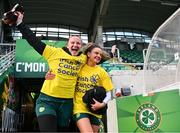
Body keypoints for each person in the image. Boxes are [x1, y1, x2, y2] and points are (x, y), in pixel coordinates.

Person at [4, 10, 87, 132]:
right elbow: (33, 41)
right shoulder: (54, 52)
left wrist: (111, 53)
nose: (75, 45)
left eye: (78, 43)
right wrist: (20, 23)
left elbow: (98, 57)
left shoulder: (83, 58)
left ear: (81, 46)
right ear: (67, 45)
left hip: (67, 104)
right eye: (73, 42)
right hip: (47, 101)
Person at [73, 45, 114, 133]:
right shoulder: (79, 68)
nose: (99, 56)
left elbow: (109, 92)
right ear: (88, 54)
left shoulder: (102, 72)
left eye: (100, 54)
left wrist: (102, 104)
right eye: (96, 53)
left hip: (95, 110)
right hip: (79, 108)